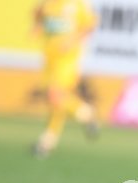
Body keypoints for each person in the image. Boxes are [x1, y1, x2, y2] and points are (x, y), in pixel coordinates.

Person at [32, 0, 98, 157]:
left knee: (55, 95)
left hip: (67, 59)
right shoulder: (48, 3)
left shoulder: (75, 4)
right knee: (55, 101)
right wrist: (37, 26)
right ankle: (48, 141)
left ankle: (85, 113)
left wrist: (71, 41)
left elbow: (89, 25)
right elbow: (38, 13)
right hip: (50, 57)